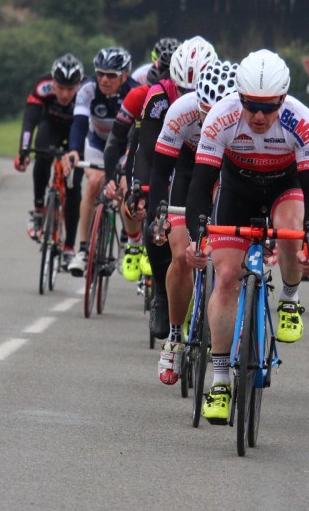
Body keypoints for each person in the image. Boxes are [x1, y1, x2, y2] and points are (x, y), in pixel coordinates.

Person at [183, 50, 309, 424]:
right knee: (226, 278)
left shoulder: (301, 121)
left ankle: (291, 299)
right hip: (237, 190)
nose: (259, 116)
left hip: (284, 187)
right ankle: (219, 380)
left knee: (294, 229)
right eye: (251, 106)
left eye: (268, 107)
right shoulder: (222, 116)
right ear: (239, 97)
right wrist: (198, 237)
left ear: (283, 99)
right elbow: (201, 183)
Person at [148, 59, 238, 385]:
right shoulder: (181, 110)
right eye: (204, 112)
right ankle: (174, 337)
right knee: (181, 253)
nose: (210, 119)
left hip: (231, 172)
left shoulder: (246, 116)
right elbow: (160, 170)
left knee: (231, 253)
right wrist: (158, 214)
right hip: (190, 172)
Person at [123, 36, 216, 339]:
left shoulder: (225, 95)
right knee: (157, 222)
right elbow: (147, 151)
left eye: (195, 90)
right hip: (175, 157)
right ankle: (163, 296)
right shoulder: (160, 96)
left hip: (212, 159)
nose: (189, 96)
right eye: (182, 89)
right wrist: (139, 187)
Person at [101, 37, 181, 289]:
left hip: (176, 156)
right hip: (139, 149)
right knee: (130, 190)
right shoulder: (139, 94)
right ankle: (134, 244)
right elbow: (116, 142)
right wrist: (111, 179)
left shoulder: (188, 99)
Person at [65, 48, 138, 277]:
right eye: (100, 74)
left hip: (126, 146)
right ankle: (84, 250)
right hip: (97, 143)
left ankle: (131, 245)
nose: (104, 79)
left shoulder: (135, 92)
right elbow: (78, 123)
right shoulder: (87, 89)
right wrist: (74, 151)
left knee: (127, 189)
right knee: (94, 183)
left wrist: (127, 168)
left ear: (124, 75)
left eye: (111, 75)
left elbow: (139, 136)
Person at [14, 54, 86, 264]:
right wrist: (23, 151)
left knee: (73, 188)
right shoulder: (42, 87)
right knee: (41, 157)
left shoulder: (87, 91)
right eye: (60, 88)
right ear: (52, 82)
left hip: (76, 132)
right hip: (51, 128)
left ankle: (69, 247)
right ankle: (38, 210)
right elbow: (29, 121)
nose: (64, 94)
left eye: (70, 89)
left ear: (78, 85)